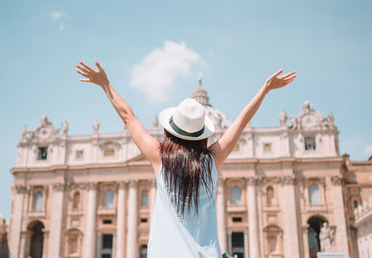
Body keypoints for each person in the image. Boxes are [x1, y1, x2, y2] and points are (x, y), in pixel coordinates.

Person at [76, 61, 297, 257]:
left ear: (170, 131)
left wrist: (105, 83)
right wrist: (265, 89)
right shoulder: (211, 161)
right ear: (202, 135)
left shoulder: (160, 158)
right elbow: (240, 122)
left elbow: (128, 116)